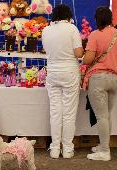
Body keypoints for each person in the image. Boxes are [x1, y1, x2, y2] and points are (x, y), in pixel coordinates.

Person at [83, 7, 117, 161]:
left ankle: (104, 151)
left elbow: (88, 59)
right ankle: (104, 146)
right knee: (107, 115)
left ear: (97, 19)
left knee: (101, 116)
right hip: (115, 79)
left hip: (99, 79)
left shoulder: (95, 35)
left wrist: (83, 57)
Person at [42, 4, 84, 159]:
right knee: (69, 112)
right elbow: (79, 53)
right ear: (68, 16)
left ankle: (54, 148)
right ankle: (67, 149)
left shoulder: (46, 30)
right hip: (69, 72)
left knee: (55, 111)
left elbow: (47, 50)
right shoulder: (72, 29)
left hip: (52, 72)